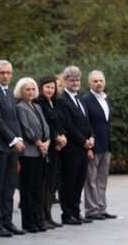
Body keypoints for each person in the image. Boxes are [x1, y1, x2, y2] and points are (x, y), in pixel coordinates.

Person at [0, 60, 26, 237]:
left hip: (12, 146)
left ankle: (8, 221)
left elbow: (13, 118)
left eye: (9, 72)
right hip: (0, 146)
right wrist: (12, 140)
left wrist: (19, 138)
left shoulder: (8, 91)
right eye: (2, 73)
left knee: (10, 186)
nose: (6, 76)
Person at [56, 66, 94, 225]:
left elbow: (86, 122)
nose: (75, 82)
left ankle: (76, 212)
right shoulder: (62, 100)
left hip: (83, 149)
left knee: (79, 181)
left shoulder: (80, 99)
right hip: (71, 148)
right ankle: (67, 214)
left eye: (77, 79)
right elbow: (69, 126)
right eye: (72, 80)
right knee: (69, 182)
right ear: (65, 81)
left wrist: (91, 138)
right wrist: (83, 141)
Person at [14, 78, 50, 233]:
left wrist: (47, 141)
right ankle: (28, 222)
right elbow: (26, 128)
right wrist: (38, 143)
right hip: (29, 153)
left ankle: (38, 218)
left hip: (41, 152)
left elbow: (45, 126)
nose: (30, 92)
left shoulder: (37, 106)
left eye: (32, 89)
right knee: (27, 189)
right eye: (26, 89)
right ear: (21, 91)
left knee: (37, 188)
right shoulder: (20, 107)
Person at [83, 70, 116, 220]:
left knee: (102, 179)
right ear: (89, 83)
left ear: (105, 82)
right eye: (95, 81)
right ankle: (91, 210)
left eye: (101, 80)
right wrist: (89, 146)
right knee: (91, 179)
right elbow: (86, 124)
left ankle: (101, 207)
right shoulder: (86, 100)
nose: (98, 83)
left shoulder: (106, 99)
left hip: (106, 145)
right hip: (94, 146)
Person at [37, 76, 67, 228]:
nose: (50, 90)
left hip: (56, 147)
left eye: (52, 87)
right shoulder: (39, 103)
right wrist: (56, 137)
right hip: (46, 147)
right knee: (44, 183)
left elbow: (60, 122)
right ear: (41, 88)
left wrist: (63, 138)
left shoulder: (55, 103)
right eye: (47, 87)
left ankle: (48, 215)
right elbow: (46, 125)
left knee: (51, 184)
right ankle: (42, 215)